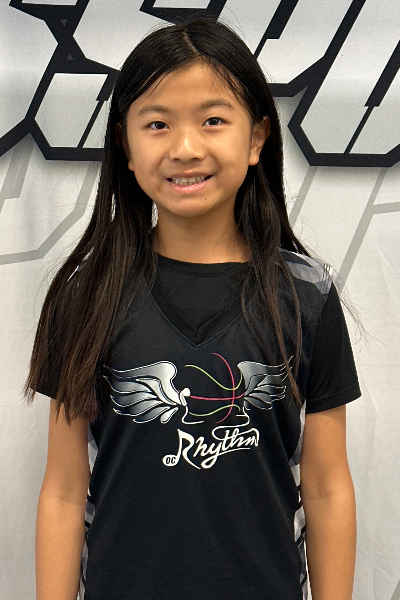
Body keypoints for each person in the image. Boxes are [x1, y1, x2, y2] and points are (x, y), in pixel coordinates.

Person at [26, 15, 361, 600]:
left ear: (256, 138)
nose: (185, 148)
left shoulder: (306, 295)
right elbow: (62, 490)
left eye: (212, 120)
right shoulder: (86, 295)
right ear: (126, 146)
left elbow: (328, 487)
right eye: (157, 124)